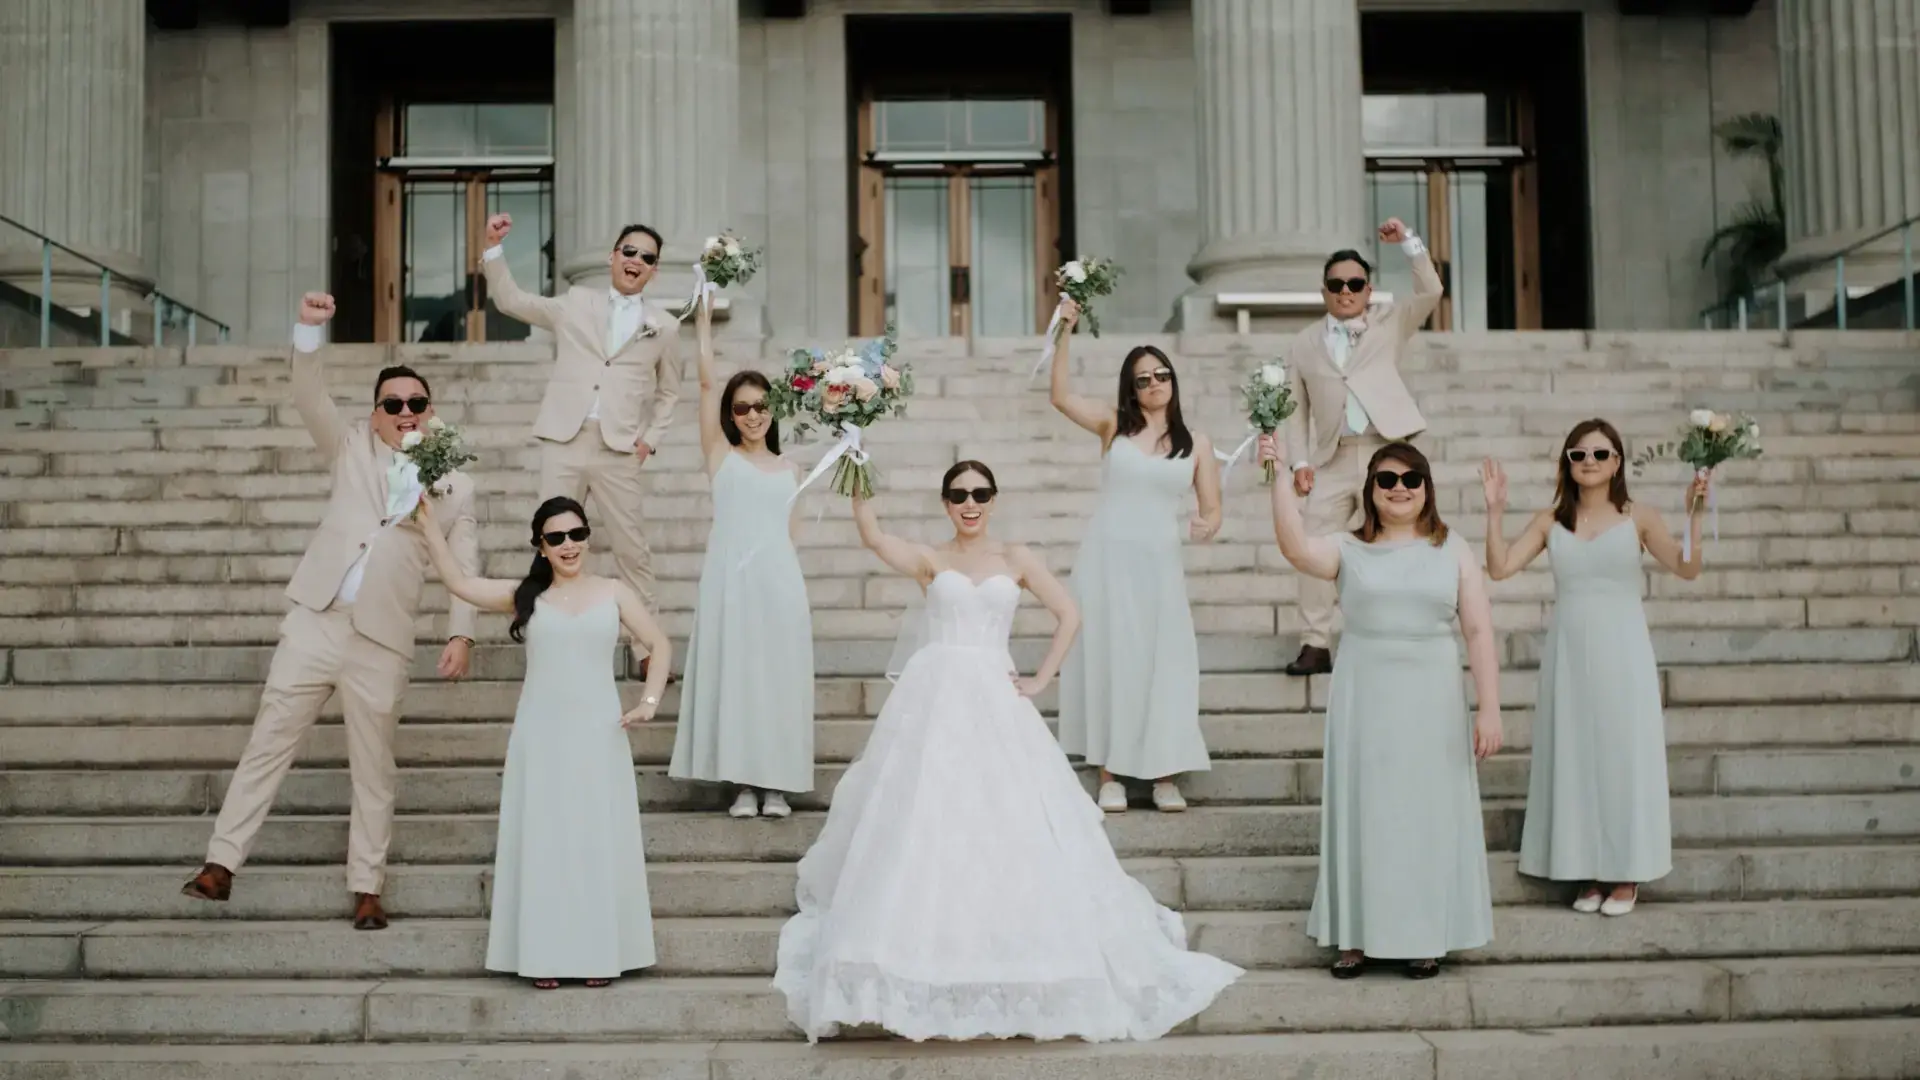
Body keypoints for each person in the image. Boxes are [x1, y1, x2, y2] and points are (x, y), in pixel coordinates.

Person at [772, 463, 1242, 1042]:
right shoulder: (929, 558)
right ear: (945, 502)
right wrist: (858, 460)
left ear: (993, 499)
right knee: (925, 817)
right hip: (935, 697)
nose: (970, 503)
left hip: (996, 696)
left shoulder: (1015, 557)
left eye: (980, 494)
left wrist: (1042, 678)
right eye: (959, 495)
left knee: (1010, 820)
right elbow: (872, 536)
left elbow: (1069, 613)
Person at [180, 293, 479, 931]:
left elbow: (466, 565)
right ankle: (221, 864)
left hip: (382, 640)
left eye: (416, 404)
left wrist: (462, 633)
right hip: (316, 622)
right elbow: (307, 394)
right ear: (374, 416)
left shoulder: (454, 482)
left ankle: (367, 887)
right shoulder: (346, 447)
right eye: (392, 404)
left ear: (432, 413)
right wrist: (309, 333)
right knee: (268, 742)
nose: (405, 413)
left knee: (373, 768)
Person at [1258, 434, 1500, 978]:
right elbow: (1295, 548)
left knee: (1425, 814)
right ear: (1370, 489)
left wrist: (1490, 708)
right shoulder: (1348, 547)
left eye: (1410, 479)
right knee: (1366, 811)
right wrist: (1276, 476)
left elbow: (1479, 630)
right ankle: (1356, 934)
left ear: (1425, 488)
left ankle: (1423, 935)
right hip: (1365, 695)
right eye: (1386, 480)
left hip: (1433, 697)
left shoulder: (1452, 547)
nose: (1398, 489)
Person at [410, 495, 670, 988]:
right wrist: (426, 525)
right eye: (556, 538)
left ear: (587, 537)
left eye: (576, 534)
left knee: (595, 839)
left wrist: (649, 701)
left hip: (600, 732)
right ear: (540, 546)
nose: (569, 545)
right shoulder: (526, 594)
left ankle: (600, 954)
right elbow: (459, 584)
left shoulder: (615, 590)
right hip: (541, 734)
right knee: (546, 841)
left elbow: (659, 644)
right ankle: (543, 956)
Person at [1483, 419, 1708, 917]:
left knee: (1621, 755)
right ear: (1567, 462)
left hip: (1622, 651)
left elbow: (1688, 567)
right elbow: (1499, 569)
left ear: (1617, 463)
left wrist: (1695, 512)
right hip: (1568, 654)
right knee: (1576, 756)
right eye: (1578, 455)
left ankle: (1625, 872)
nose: (1589, 462)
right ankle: (1586, 871)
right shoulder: (1550, 521)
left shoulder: (1639, 517)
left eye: (1600, 454)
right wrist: (1495, 512)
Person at [479, 213, 681, 679]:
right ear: (613, 257)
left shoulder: (663, 327)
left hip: (617, 450)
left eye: (646, 258)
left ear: (654, 270)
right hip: (564, 439)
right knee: (552, 542)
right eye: (628, 251)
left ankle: (646, 647)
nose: (635, 261)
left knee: (633, 550)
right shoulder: (576, 302)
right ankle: (545, 635)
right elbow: (512, 301)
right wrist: (493, 249)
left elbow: (670, 391)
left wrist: (650, 439)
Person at [1046, 301, 1221, 814]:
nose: (1154, 384)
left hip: (1159, 564)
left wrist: (1206, 525)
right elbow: (1058, 396)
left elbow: (1212, 510)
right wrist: (1064, 331)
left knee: (1163, 663)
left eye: (1161, 375)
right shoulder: (1111, 427)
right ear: (1131, 388)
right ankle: (1110, 773)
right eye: (1143, 379)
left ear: (1173, 381)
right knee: (1112, 660)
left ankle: (1164, 774)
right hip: (1107, 560)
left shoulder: (1197, 444)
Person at [667, 294, 814, 819]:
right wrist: (703, 322)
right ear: (731, 415)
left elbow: (790, 536)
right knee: (740, 681)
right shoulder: (720, 457)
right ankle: (744, 785)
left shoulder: (793, 469)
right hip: (730, 583)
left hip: (778, 586)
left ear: (773, 410)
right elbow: (707, 382)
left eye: (760, 406)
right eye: (742, 408)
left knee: (776, 682)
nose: (752, 415)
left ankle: (776, 786)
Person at [1280, 218, 1444, 677]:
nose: (1346, 291)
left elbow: (1430, 291)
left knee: (1395, 539)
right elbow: (1295, 410)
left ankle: (1404, 626)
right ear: (1325, 291)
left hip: (1385, 451)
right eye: (1337, 284)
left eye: (1355, 283)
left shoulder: (1390, 325)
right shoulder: (1304, 343)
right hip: (1333, 456)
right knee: (1313, 539)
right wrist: (1300, 462)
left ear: (1368, 290)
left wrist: (1410, 243)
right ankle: (1315, 642)